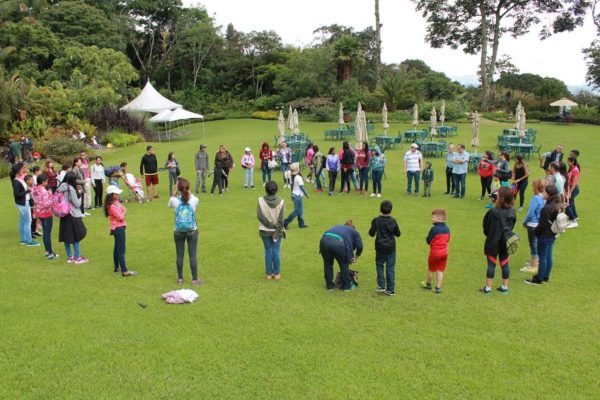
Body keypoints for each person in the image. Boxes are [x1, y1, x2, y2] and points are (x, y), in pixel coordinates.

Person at [480, 187, 516, 294]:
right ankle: (505, 287)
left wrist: (490, 234)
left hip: (493, 241)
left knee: (491, 264)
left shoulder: (492, 212)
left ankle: (488, 288)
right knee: (505, 264)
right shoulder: (512, 211)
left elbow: (485, 226)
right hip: (506, 241)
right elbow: (512, 225)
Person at [525, 184, 561, 285]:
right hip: (552, 235)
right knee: (549, 256)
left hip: (545, 236)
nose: (543, 193)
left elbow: (542, 225)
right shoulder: (557, 204)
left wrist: (536, 232)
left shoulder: (546, 208)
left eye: (545, 192)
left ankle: (538, 279)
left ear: (549, 195)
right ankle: (545, 276)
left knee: (543, 257)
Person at [169, 178, 200, 286]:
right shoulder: (194, 200)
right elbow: (194, 198)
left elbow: (169, 204)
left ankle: (180, 279)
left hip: (178, 231)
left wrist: (174, 192)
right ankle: (195, 280)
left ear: (178, 189)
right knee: (192, 255)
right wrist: (187, 190)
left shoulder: (174, 200)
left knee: (179, 254)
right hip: (192, 230)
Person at [368, 200, 401, 296]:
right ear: (391, 210)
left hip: (380, 247)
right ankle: (390, 289)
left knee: (379, 265)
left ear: (380, 209)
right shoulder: (393, 221)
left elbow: (371, 233)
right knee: (390, 268)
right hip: (391, 247)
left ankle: (381, 285)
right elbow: (398, 234)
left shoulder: (376, 220)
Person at [319, 220, 363, 291]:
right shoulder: (354, 231)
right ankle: (347, 286)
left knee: (328, 263)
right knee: (343, 264)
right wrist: (356, 257)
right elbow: (360, 247)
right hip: (338, 243)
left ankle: (329, 286)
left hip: (324, 240)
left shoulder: (338, 227)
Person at [104, 185, 136, 277]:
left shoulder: (116, 202)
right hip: (118, 228)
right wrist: (124, 212)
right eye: (116, 193)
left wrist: (123, 212)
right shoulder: (112, 206)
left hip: (119, 228)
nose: (118, 195)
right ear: (112, 195)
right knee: (121, 249)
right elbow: (121, 217)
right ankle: (124, 271)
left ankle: (116, 267)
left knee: (117, 248)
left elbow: (124, 209)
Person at [57, 172, 88, 264]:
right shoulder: (71, 189)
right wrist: (80, 194)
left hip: (63, 214)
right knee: (76, 235)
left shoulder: (60, 187)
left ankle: (70, 257)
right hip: (72, 214)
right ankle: (78, 257)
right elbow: (77, 204)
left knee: (66, 236)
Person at [257, 181, 286, 280]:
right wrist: (276, 231)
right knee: (276, 251)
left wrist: (269, 225)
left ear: (266, 189)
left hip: (265, 230)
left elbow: (260, 216)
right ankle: (276, 274)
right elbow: (281, 220)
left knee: (268, 251)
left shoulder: (260, 200)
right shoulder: (281, 201)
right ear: (276, 190)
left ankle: (269, 274)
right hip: (277, 230)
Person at [422, 208, 450, 294]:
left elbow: (428, 240)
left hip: (435, 253)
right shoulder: (447, 229)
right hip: (444, 253)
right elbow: (448, 239)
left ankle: (428, 284)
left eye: (434, 217)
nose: (432, 218)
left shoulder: (434, 229)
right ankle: (438, 288)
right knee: (440, 270)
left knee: (431, 269)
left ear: (440, 219)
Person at [521, 179, 546, 274]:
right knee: (536, 244)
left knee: (533, 245)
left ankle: (533, 266)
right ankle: (534, 263)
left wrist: (524, 222)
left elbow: (530, 213)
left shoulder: (535, 198)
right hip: (539, 224)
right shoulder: (543, 198)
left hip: (532, 225)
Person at [11, 163, 39, 246]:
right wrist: (28, 190)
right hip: (23, 204)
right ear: (18, 170)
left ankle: (23, 240)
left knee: (23, 222)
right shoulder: (16, 181)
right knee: (27, 221)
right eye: (22, 169)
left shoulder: (19, 179)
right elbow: (17, 194)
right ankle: (29, 241)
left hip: (24, 203)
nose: (23, 170)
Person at [32, 174, 57, 259]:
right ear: (43, 182)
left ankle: (47, 251)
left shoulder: (34, 189)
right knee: (47, 234)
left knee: (45, 234)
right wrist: (52, 197)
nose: (47, 182)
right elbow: (47, 204)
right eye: (46, 181)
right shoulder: (43, 191)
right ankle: (50, 253)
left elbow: (35, 202)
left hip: (39, 213)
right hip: (46, 214)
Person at [283, 163, 309, 229]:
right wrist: (307, 194)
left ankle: (301, 224)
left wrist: (292, 194)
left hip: (294, 195)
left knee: (300, 210)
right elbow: (302, 187)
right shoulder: (298, 177)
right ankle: (285, 222)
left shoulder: (292, 177)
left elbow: (292, 186)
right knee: (297, 211)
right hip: (298, 196)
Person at [565, 156, 580, 228]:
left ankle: (573, 220)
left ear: (572, 162)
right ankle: (575, 216)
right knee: (571, 202)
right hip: (570, 188)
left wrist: (570, 192)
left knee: (567, 203)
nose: (567, 163)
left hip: (573, 188)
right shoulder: (572, 168)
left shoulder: (575, 170)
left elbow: (574, 182)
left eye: (568, 161)